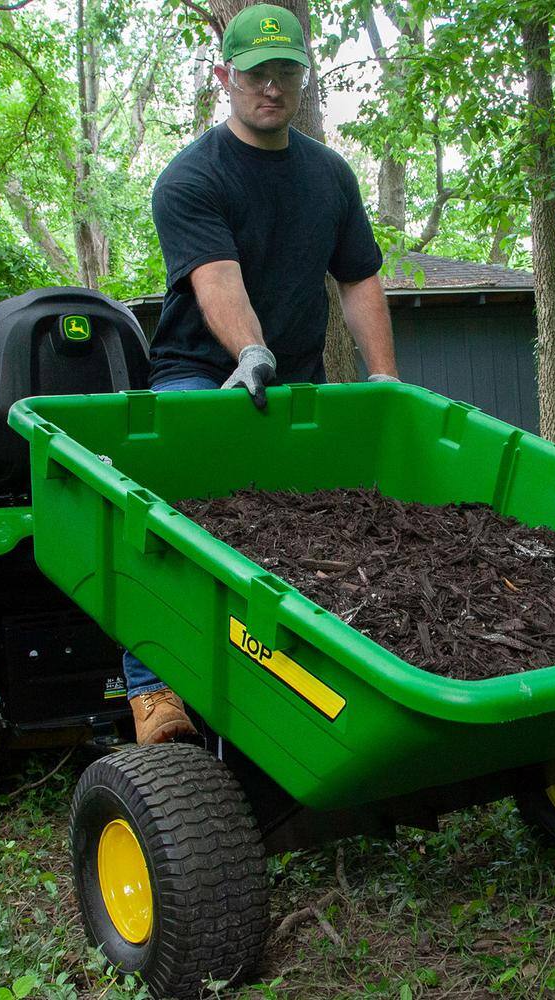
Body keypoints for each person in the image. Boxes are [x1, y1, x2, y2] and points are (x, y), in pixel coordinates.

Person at [125, 2, 399, 744]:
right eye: (255, 74)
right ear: (225, 77)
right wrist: (251, 352)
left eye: (286, 73)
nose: (270, 88)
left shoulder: (329, 176)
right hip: (200, 373)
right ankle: (153, 687)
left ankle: (300, 677)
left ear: (302, 80)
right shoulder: (191, 177)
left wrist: (382, 379)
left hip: (295, 377)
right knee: (173, 511)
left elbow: (360, 280)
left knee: (320, 523)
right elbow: (219, 281)